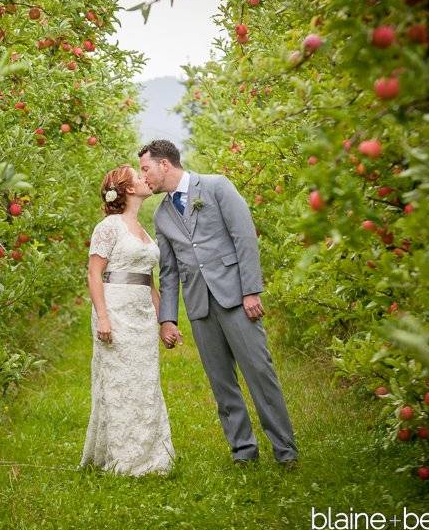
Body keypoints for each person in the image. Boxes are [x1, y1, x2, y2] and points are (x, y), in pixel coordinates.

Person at [138, 139, 299, 467]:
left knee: (260, 375)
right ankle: (243, 452)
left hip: (237, 299)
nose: (144, 177)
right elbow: (168, 272)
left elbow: (244, 237)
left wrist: (250, 291)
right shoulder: (162, 214)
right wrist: (167, 319)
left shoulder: (216, 187)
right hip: (200, 307)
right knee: (221, 383)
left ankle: (286, 452)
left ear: (164, 164)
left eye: (146, 169)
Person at [79, 164, 177, 476]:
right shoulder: (108, 227)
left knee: (145, 382)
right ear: (128, 189)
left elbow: (149, 280)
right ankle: (123, 457)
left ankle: (152, 454)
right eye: (138, 176)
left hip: (142, 314)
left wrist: (164, 320)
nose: (144, 178)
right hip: (116, 310)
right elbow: (94, 274)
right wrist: (103, 318)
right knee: (120, 382)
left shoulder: (144, 232)